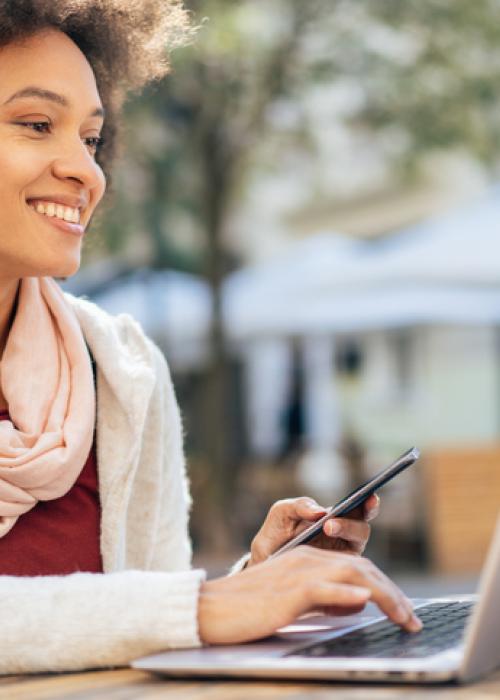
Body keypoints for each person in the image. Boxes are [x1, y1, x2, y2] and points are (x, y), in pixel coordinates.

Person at [0, 0, 421, 674]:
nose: (86, 171)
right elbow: (156, 611)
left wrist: (259, 581)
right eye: (36, 124)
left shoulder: (124, 369)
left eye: (90, 137)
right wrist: (200, 607)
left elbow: (136, 626)